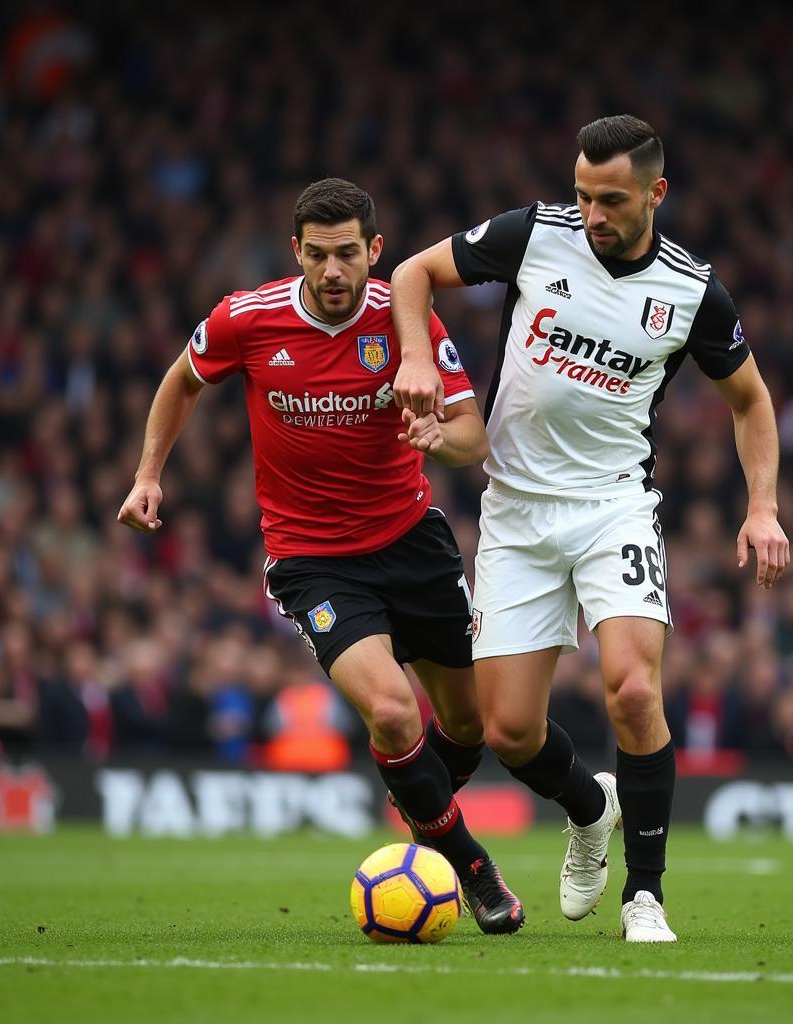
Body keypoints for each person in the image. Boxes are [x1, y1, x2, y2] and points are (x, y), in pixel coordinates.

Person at [390, 116, 790, 943]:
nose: (592, 213)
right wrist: (418, 359)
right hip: (516, 509)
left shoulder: (692, 290)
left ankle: (645, 896)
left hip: (614, 506)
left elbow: (750, 400)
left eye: (610, 199)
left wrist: (761, 507)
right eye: (582, 194)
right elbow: (412, 272)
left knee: (635, 690)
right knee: (508, 731)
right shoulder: (535, 233)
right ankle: (589, 806)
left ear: (656, 193)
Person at [118, 177, 524, 935]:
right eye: (317, 255)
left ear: (374, 251)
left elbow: (474, 434)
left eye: (347, 254)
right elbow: (180, 382)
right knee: (396, 714)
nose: (333, 271)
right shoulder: (246, 318)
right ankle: (471, 865)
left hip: (413, 542)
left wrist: (441, 437)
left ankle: (425, 826)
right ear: (295, 253)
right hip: (314, 560)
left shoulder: (408, 323)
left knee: (469, 725)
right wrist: (148, 475)